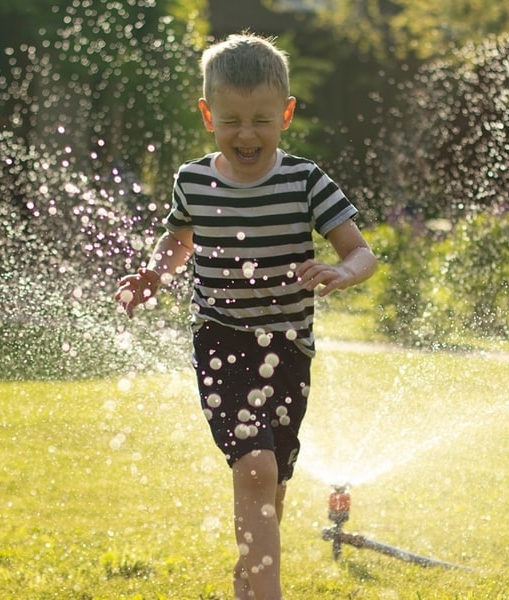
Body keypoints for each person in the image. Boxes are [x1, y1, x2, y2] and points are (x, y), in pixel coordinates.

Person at [114, 32, 377, 600]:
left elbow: (362, 252)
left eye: (261, 119)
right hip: (220, 338)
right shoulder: (193, 180)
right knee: (254, 466)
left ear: (285, 114)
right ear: (209, 115)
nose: (247, 133)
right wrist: (154, 274)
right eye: (231, 119)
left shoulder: (305, 181)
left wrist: (343, 272)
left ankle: (248, 577)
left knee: (273, 475)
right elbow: (178, 240)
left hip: (288, 348)